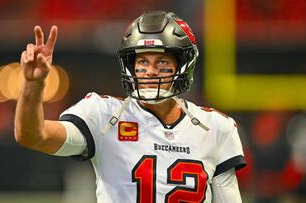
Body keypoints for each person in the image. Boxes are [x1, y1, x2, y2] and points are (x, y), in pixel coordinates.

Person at [15, 11, 246, 203]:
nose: (151, 71)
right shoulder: (104, 115)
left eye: (162, 62)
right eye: (142, 61)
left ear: (182, 66)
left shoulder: (215, 128)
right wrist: (33, 85)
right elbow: (33, 135)